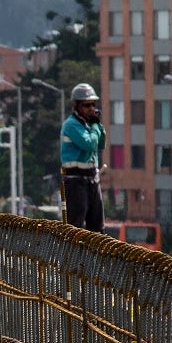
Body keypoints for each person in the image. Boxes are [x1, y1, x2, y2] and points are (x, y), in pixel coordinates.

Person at [60, 82, 106, 232]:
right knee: (75, 227)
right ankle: (72, 255)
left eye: (93, 104)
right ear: (77, 106)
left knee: (97, 227)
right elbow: (90, 144)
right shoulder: (71, 125)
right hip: (75, 182)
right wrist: (94, 127)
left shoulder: (89, 125)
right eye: (87, 105)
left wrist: (98, 126)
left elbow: (101, 145)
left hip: (92, 180)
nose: (91, 108)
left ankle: (95, 255)